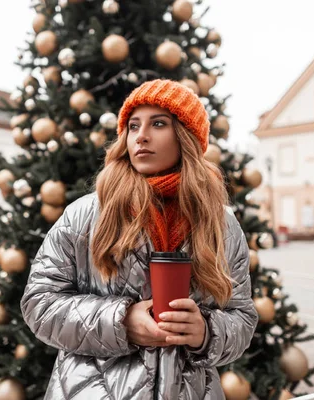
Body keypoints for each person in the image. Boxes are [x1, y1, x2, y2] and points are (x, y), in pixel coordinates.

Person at [21, 79, 258, 399]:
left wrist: (206, 332)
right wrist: (119, 321)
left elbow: (242, 317)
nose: (141, 136)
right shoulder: (84, 215)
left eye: (158, 123)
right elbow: (40, 304)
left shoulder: (222, 224)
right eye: (133, 126)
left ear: (186, 137)